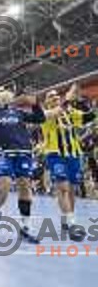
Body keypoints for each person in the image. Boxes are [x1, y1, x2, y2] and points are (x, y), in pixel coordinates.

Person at [0, 88, 45, 244]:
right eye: (1, 94)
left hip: (23, 152)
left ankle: (25, 228)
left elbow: (40, 119)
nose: (5, 96)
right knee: (4, 184)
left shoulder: (18, 112)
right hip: (2, 153)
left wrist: (36, 104)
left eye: (7, 94)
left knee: (25, 187)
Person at [42, 84, 95, 241]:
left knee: (72, 189)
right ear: (46, 102)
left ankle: (67, 220)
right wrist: (68, 98)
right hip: (55, 154)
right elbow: (60, 110)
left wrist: (86, 103)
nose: (55, 97)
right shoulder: (45, 114)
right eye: (51, 96)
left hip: (73, 154)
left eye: (57, 95)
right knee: (63, 188)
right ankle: (72, 224)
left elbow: (88, 117)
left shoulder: (70, 113)